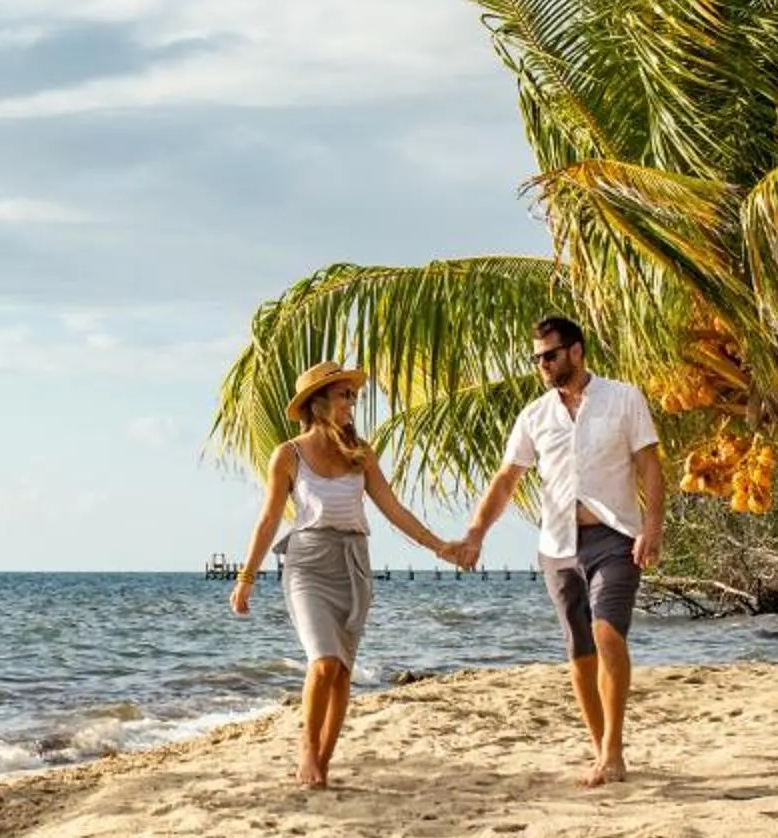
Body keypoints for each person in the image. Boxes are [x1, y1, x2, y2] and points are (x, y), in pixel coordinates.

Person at [450, 317, 664, 786]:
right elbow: (507, 480)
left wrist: (652, 527)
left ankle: (613, 750)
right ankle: (598, 746)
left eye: (549, 355)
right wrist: (476, 533)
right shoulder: (534, 416)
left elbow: (650, 465)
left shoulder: (624, 398)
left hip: (615, 535)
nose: (542, 365)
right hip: (557, 546)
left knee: (607, 632)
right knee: (579, 650)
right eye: (537, 358)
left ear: (576, 351)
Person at [231, 363, 462, 788]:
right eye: (342, 396)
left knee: (341, 671)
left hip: (354, 562)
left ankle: (323, 761)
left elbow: (394, 509)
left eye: (351, 396)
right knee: (322, 661)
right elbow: (267, 520)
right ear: (317, 403)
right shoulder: (288, 454)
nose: (351, 403)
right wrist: (246, 577)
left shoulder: (362, 452)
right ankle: (306, 752)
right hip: (307, 563)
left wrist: (439, 545)